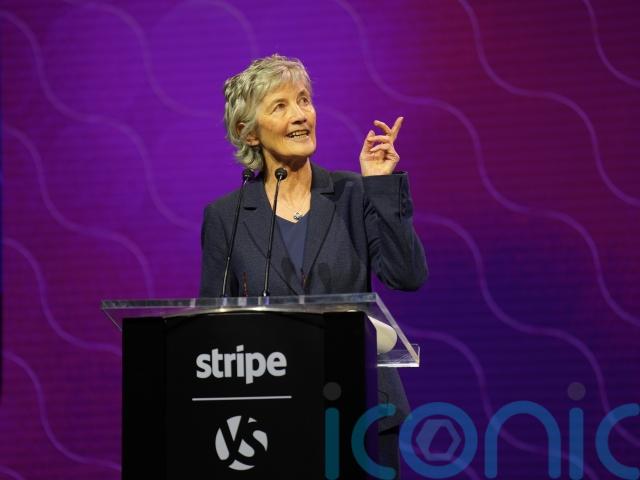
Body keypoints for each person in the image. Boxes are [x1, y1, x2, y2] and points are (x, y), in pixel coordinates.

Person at [200, 54, 427, 475]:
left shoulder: (355, 193)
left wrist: (380, 185)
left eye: (304, 100)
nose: (300, 115)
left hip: (364, 412)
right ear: (247, 132)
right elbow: (212, 332)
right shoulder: (225, 217)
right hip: (270, 418)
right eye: (280, 105)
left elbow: (407, 275)